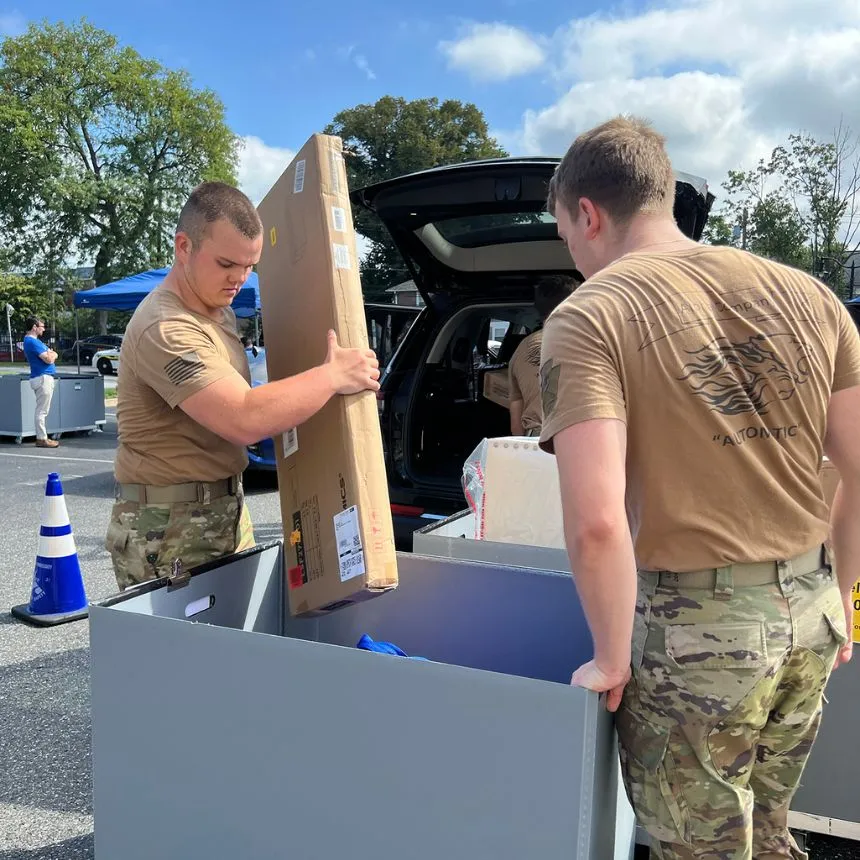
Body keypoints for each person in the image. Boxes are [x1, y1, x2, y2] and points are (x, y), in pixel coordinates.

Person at [538, 116, 860, 859]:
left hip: (697, 639)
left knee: (699, 847)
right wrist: (846, 599)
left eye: (565, 234)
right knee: (770, 832)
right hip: (811, 616)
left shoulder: (591, 315)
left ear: (588, 213)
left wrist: (613, 658)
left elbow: (595, 525)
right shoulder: (812, 297)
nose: (575, 254)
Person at [105, 181, 380, 591]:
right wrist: (333, 375)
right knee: (181, 654)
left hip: (222, 508)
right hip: (166, 529)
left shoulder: (217, 310)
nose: (239, 278)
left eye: (250, 265)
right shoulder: (166, 327)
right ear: (184, 247)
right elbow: (243, 418)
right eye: (226, 263)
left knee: (234, 646)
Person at [508, 274, 579, 436]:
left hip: (536, 441)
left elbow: (516, 419)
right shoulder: (588, 341)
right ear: (575, 304)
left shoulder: (521, 350)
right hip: (580, 438)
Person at [22, 316, 59, 449]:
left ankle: (42, 437)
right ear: (34, 327)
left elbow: (51, 355)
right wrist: (53, 354)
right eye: (42, 326)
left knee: (42, 410)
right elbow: (49, 358)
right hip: (43, 378)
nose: (43, 329)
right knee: (42, 411)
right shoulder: (33, 342)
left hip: (41, 377)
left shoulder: (33, 341)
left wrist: (52, 354)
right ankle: (42, 438)